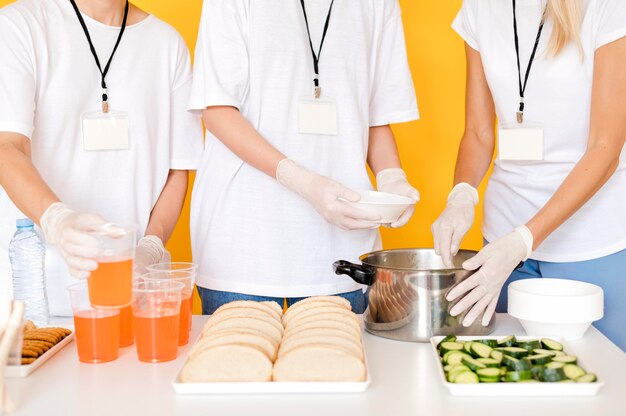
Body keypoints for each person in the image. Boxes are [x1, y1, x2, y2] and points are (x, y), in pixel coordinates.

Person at [189, 0, 419, 314]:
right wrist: (301, 181)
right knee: (236, 362)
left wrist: (392, 176)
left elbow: (374, 118)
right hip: (243, 246)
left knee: (338, 363)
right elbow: (216, 111)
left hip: (341, 251)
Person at [432, 0, 626, 350]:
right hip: (503, 248)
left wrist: (525, 238)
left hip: (590, 246)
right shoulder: (479, 8)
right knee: (512, 382)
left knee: (603, 386)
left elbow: (605, 148)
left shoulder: (607, 6)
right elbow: (478, 132)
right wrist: (461, 193)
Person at [0, 0, 204, 315]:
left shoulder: (167, 45)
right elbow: (7, 146)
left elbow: (177, 171)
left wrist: (150, 246)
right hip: (31, 300)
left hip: (128, 296)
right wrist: (58, 220)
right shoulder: (18, 26)